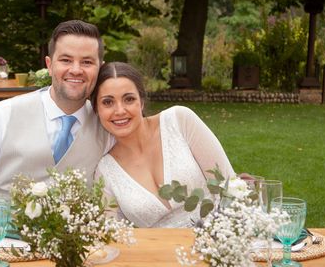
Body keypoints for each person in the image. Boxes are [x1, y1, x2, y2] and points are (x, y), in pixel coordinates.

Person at [0, 20, 110, 197]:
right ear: (49, 65)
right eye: (66, 60)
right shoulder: (3, 114)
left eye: (87, 62)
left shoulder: (107, 125)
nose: (76, 70)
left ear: (100, 69)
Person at [91, 62, 235, 228]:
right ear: (96, 109)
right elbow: (113, 236)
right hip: (158, 253)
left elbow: (229, 186)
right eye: (108, 102)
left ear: (142, 102)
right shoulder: (105, 171)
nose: (120, 110)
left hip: (220, 241)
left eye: (129, 99)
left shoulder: (180, 121)